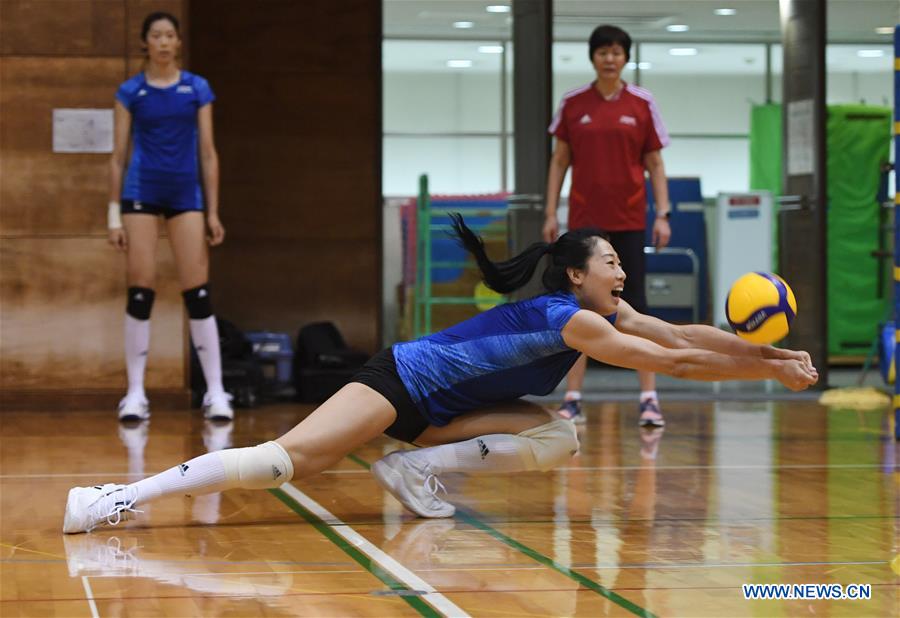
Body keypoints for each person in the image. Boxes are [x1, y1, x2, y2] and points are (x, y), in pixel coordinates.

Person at [62, 215, 817, 534]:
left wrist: (770, 355)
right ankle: (114, 498)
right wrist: (766, 373)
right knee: (281, 463)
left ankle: (415, 468)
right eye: (612, 263)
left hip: (439, 414)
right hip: (401, 381)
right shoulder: (577, 321)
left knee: (559, 438)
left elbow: (681, 334)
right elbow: (676, 361)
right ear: (577, 274)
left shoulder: (602, 310)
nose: (622, 274)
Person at [543, 24, 672, 427]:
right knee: (578, 309)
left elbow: (655, 163)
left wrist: (663, 213)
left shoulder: (642, 103)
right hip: (585, 223)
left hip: (630, 220)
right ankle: (572, 398)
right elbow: (559, 161)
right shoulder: (573, 103)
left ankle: (649, 398)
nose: (610, 59)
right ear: (593, 57)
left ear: (625, 58)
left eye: (617, 52)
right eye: (603, 52)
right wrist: (550, 213)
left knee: (638, 308)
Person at [108, 12, 233, 421]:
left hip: (185, 194)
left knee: (198, 292)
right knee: (140, 290)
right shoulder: (131, 90)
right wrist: (113, 215)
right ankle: (135, 394)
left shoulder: (196, 88)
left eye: (169, 35)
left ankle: (216, 392)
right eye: (156, 35)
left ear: (178, 42)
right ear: (145, 42)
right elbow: (118, 156)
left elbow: (208, 153)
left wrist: (213, 212)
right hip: (141, 191)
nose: (163, 42)